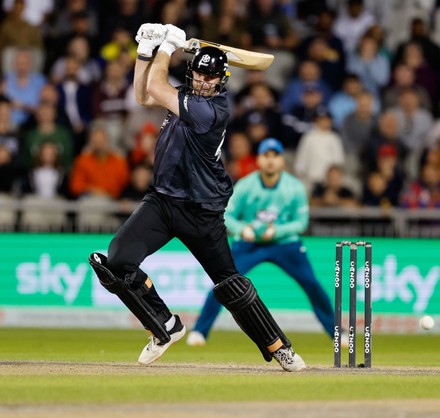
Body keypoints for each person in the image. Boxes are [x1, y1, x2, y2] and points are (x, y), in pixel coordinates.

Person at [88, 23, 306, 372]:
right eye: (199, 75)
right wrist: (145, 52)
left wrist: (168, 46)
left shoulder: (211, 110)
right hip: (161, 202)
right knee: (115, 263)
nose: (203, 82)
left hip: (202, 209)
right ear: (191, 74)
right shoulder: (185, 99)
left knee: (230, 284)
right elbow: (145, 95)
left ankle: (280, 348)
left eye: (210, 77)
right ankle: (165, 326)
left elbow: (157, 87)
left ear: (222, 79)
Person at [187, 137, 339, 347]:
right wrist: (243, 229)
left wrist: (277, 231)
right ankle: (199, 332)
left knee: (311, 283)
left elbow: (301, 222)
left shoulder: (294, 187)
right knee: (223, 285)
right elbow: (228, 216)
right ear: (258, 160)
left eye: (275, 156)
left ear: (282, 161)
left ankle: (337, 333)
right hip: (249, 244)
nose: (270, 160)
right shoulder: (246, 186)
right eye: (266, 155)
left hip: (285, 244)